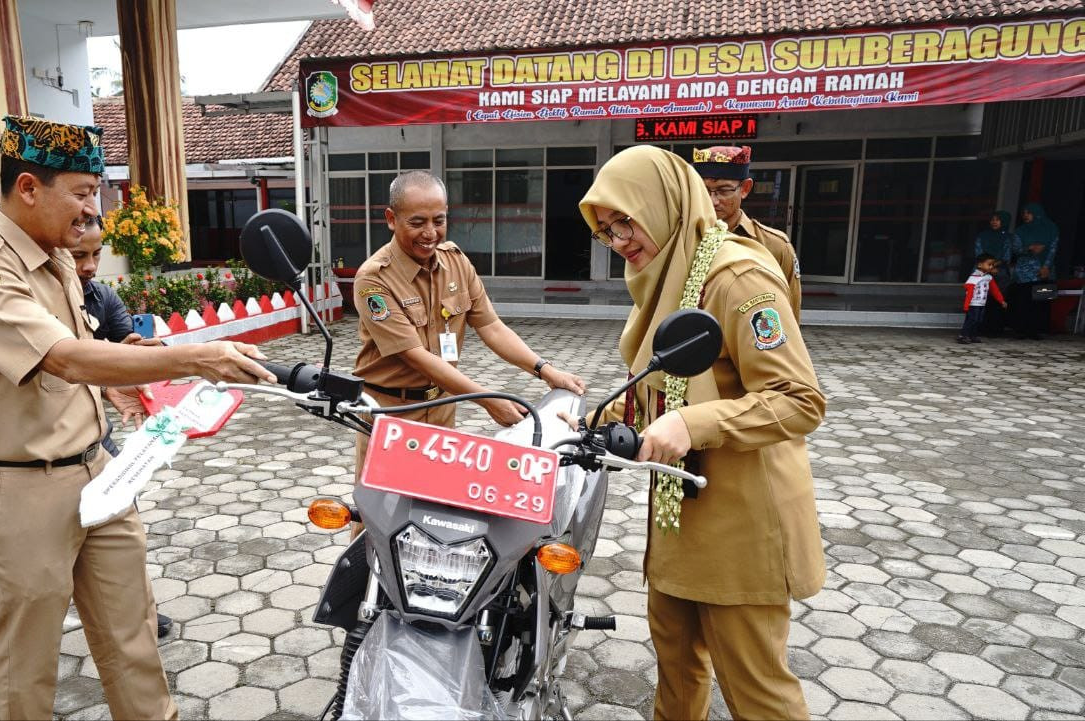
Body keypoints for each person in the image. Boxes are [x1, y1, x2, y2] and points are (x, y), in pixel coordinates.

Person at [0, 115, 275, 720]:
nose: (95, 209)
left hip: (100, 473)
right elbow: (63, 357)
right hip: (16, 488)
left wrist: (130, 377)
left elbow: (83, 352)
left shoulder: (59, 259)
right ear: (30, 187)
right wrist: (201, 356)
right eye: (84, 192)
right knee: (29, 661)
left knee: (133, 636)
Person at [579, 146, 825, 721]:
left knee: (756, 688)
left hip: (743, 522)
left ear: (661, 204)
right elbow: (665, 388)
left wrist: (693, 424)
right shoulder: (666, 274)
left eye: (625, 221)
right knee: (677, 666)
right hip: (679, 514)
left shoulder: (738, 277)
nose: (619, 241)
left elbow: (800, 401)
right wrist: (597, 420)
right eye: (606, 230)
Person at [0, 216, 172, 673]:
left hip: (96, 445)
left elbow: (126, 352)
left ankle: (137, 615)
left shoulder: (102, 297)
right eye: (79, 254)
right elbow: (62, 363)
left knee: (124, 533)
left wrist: (136, 362)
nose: (89, 265)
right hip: (36, 457)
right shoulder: (15, 296)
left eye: (96, 254)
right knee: (36, 574)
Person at [352, 170, 586, 472]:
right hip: (390, 412)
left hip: (441, 407)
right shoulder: (374, 279)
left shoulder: (457, 263)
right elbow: (414, 356)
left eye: (439, 221)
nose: (430, 233)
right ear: (391, 219)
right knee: (380, 510)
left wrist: (545, 370)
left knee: (435, 503)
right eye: (417, 222)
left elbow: (492, 327)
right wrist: (488, 400)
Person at [693, 145, 802, 316]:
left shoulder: (774, 246)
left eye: (724, 190)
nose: (713, 201)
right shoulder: (682, 239)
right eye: (704, 190)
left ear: (745, 189)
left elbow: (790, 313)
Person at [1009, 202, 1058, 340]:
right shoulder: (1021, 230)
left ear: (1037, 213)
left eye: (1028, 213)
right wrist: (1029, 248)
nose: (1025, 215)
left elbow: (1053, 249)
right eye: (1024, 213)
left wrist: (1046, 266)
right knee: (1023, 300)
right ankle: (1021, 330)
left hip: (1045, 271)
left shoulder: (1051, 228)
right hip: (1024, 272)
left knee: (1042, 300)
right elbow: (1015, 249)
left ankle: (1038, 330)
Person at [974, 211, 1016, 336]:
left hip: (999, 272)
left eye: (998, 220)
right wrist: (986, 266)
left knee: (997, 300)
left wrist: (991, 266)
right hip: (982, 270)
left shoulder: (1007, 237)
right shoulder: (983, 235)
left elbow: (1007, 256)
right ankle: (978, 328)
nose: (994, 222)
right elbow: (978, 252)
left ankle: (995, 329)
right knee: (981, 300)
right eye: (992, 219)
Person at [959, 254, 1007, 344]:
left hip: (981, 303)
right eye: (989, 264)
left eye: (992, 265)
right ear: (980, 265)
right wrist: (966, 306)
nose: (991, 267)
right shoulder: (973, 277)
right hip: (973, 304)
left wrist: (1001, 300)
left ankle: (972, 335)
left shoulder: (988, 277)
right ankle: (963, 335)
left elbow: (995, 290)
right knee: (972, 320)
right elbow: (969, 292)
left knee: (978, 320)